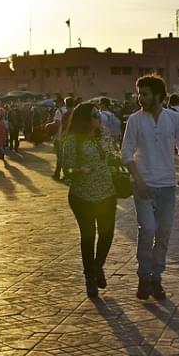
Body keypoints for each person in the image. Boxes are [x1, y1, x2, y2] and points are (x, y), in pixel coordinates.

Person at [121, 75, 179, 301]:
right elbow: (126, 152)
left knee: (163, 233)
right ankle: (143, 276)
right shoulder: (135, 120)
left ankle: (156, 278)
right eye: (139, 93)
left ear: (159, 95)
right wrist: (138, 180)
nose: (141, 98)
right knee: (148, 229)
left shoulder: (173, 118)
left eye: (145, 94)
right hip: (143, 185)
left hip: (167, 186)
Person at [61, 102, 117, 298]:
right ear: (84, 119)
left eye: (99, 113)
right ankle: (89, 277)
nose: (99, 117)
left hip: (107, 194)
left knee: (107, 234)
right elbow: (66, 171)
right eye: (95, 115)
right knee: (88, 236)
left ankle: (97, 266)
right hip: (82, 196)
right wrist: (79, 171)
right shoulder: (72, 141)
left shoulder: (105, 135)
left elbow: (113, 157)